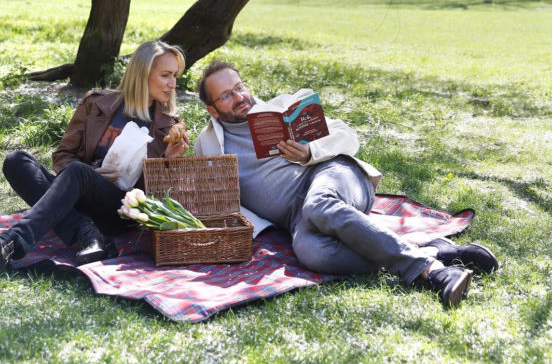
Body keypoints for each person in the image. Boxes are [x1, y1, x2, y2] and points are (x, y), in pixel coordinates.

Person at [195, 60, 498, 308]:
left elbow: (348, 137)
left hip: (334, 176)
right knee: (311, 252)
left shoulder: (282, 107)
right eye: (226, 96)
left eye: (239, 87)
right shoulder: (207, 145)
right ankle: (431, 251)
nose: (239, 98)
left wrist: (310, 152)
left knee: (319, 204)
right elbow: (207, 195)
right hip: (296, 217)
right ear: (212, 109)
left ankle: (431, 272)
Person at [0, 40, 190, 271]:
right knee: (16, 161)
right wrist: (91, 175)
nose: (173, 84)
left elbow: (159, 198)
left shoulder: (169, 128)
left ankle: (11, 242)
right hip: (75, 196)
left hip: (119, 210)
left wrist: (169, 162)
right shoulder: (96, 104)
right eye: (166, 75)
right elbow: (63, 156)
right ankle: (87, 233)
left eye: (175, 75)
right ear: (141, 74)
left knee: (78, 172)